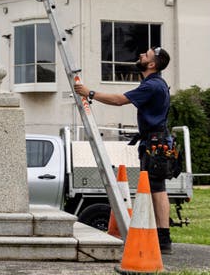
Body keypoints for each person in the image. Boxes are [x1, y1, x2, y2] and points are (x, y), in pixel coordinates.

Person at [74, 46, 174, 254]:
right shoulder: (155, 84)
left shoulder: (153, 85)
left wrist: (89, 93)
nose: (140, 55)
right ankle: (159, 235)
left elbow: (120, 100)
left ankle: (163, 238)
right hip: (154, 141)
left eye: (145, 55)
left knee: (156, 188)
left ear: (152, 64)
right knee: (156, 187)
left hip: (155, 143)